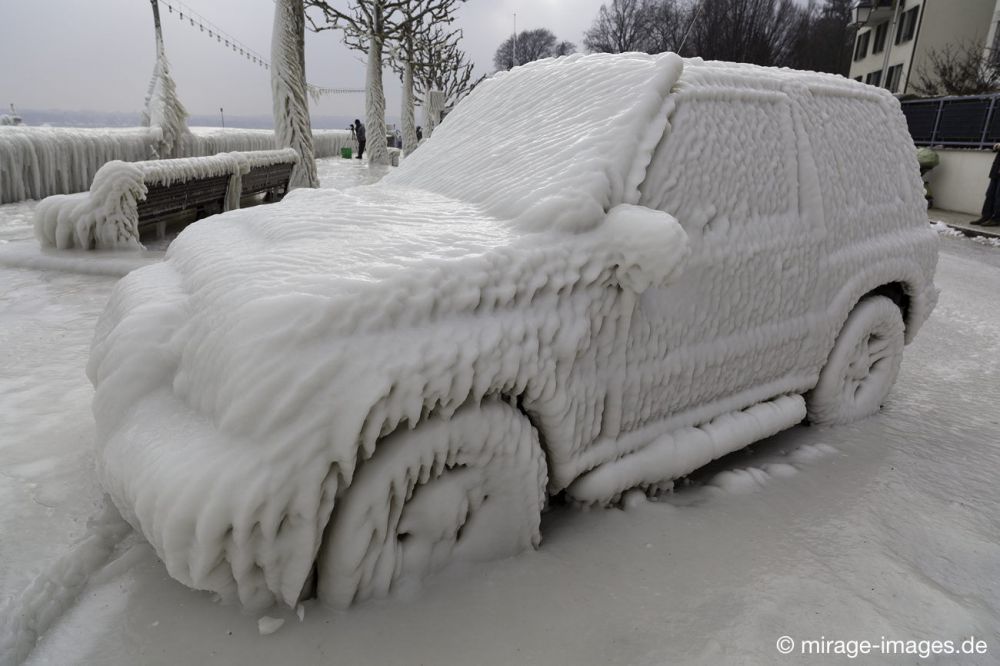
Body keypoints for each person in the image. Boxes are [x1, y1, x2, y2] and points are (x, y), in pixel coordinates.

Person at [972, 143, 1000, 227]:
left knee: (998, 196)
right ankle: (986, 216)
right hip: (996, 170)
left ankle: (996, 219)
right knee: (990, 194)